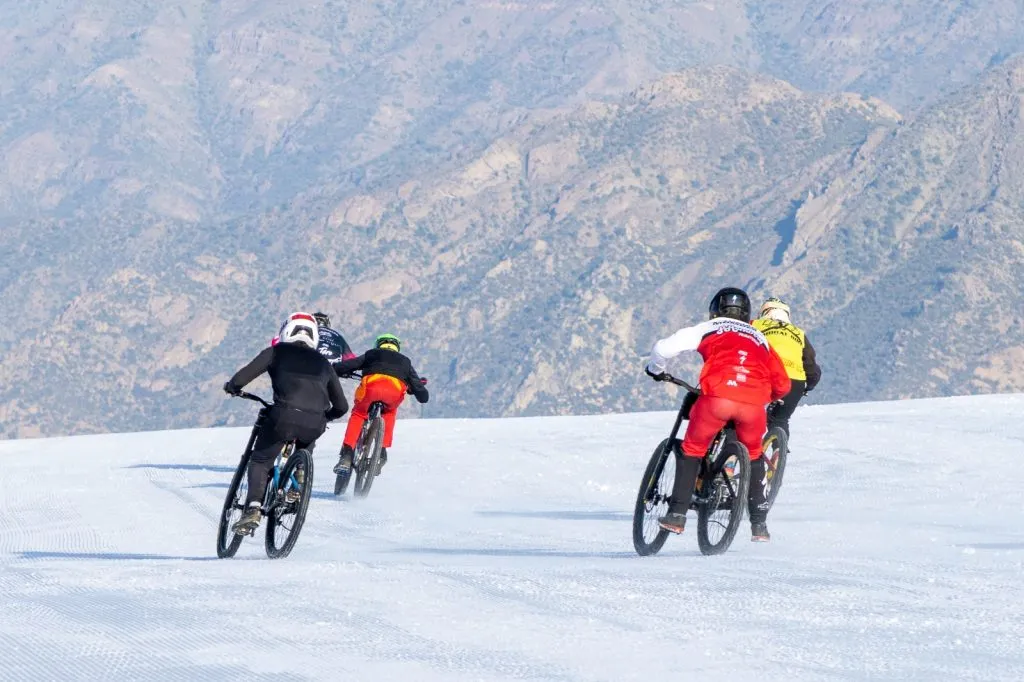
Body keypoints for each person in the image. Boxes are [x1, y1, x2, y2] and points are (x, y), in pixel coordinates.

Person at [645, 287, 791, 542]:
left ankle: (677, 515)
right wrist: (759, 396)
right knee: (754, 455)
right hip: (753, 406)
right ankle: (759, 525)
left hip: (717, 399)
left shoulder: (709, 328)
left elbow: (663, 349)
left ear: (715, 310)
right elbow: (783, 386)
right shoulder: (760, 337)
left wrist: (655, 369)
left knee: (692, 449)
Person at [223, 312, 349, 534]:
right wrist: (324, 417)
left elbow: (242, 378)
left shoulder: (275, 351)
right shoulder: (323, 363)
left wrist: (233, 387)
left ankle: (253, 508)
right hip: (314, 423)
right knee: (307, 441)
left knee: (261, 460)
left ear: (285, 331)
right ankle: (299, 476)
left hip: (283, 416)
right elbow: (341, 407)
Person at [331, 333, 429, 477]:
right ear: (397, 347)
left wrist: (337, 369)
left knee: (359, 414)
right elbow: (423, 396)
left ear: (378, 345)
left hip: (371, 389)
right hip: (393, 394)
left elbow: (347, 365)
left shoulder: (371, 354)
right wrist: (416, 389)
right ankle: (381, 453)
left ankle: (347, 456)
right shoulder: (405, 362)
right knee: (389, 413)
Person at [752, 297, 822, 439]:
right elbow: (810, 365)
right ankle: (778, 454)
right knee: (779, 420)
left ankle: (742, 453)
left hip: (765, 375)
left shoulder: (755, 324)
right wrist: (808, 386)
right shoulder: (798, 333)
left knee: (746, 413)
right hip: (795, 381)